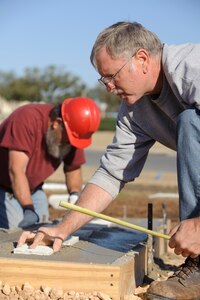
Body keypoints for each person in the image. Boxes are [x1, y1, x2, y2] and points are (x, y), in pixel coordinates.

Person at [18, 21, 200, 299]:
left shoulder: (192, 69)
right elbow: (111, 175)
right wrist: (62, 229)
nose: (109, 88)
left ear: (141, 59)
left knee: (190, 122)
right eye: (103, 80)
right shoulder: (133, 110)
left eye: (111, 76)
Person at [0, 97, 100, 229]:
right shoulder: (25, 120)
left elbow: (73, 168)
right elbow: (16, 170)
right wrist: (28, 209)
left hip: (34, 188)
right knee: (15, 232)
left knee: (42, 231)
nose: (70, 144)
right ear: (57, 123)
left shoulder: (73, 133)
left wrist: (74, 196)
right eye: (68, 140)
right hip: (4, 185)